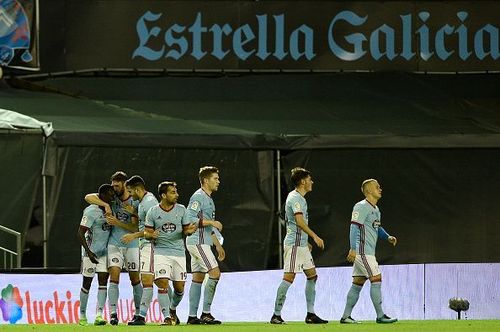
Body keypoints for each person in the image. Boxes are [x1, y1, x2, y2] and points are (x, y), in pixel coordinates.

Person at [270, 167, 328, 325]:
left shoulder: (300, 198)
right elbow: (299, 221)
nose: (312, 182)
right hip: (294, 245)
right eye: (309, 179)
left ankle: (310, 314)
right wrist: (314, 236)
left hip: (301, 244)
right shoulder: (295, 198)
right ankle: (276, 315)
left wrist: (306, 241)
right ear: (303, 181)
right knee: (289, 277)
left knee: (312, 276)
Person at [85, 171, 141, 325]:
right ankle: (113, 314)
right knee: (114, 278)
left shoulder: (133, 202)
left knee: (135, 280)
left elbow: (135, 227)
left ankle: (138, 314)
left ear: (124, 184)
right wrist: (105, 204)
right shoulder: (112, 199)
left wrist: (118, 223)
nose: (114, 188)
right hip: (114, 244)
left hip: (132, 245)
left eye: (117, 185)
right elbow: (88, 197)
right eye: (113, 185)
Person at [340, 179, 398, 324]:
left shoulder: (376, 209)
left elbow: (376, 228)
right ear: (368, 191)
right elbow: (354, 228)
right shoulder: (361, 206)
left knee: (358, 283)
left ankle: (346, 317)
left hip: (368, 252)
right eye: (377, 187)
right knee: (376, 278)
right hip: (362, 252)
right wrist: (353, 249)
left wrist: (388, 237)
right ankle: (380, 316)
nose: (380, 189)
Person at [144, 181, 197, 325]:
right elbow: (146, 233)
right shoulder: (153, 211)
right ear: (163, 195)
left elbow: (186, 230)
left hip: (179, 253)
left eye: (176, 191)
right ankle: (167, 317)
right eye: (173, 192)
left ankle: (172, 308)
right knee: (163, 283)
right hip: (161, 252)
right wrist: (151, 235)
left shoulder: (181, 209)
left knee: (179, 289)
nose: (177, 194)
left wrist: (190, 232)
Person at [185, 166, 225, 325]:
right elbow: (189, 219)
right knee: (215, 273)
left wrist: (218, 246)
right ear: (206, 180)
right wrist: (212, 222)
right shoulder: (198, 197)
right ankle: (206, 314)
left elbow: (208, 228)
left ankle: (192, 317)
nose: (218, 181)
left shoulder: (208, 198)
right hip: (197, 242)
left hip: (203, 242)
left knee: (198, 278)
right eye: (215, 178)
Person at [120, 175, 159, 325]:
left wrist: (133, 236)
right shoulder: (142, 202)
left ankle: (141, 316)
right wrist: (134, 213)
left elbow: (154, 230)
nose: (129, 195)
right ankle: (170, 313)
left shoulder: (149, 203)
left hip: (150, 244)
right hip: (145, 244)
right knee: (158, 281)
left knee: (147, 280)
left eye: (130, 191)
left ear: (137, 189)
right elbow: (144, 221)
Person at [77, 184, 115, 326]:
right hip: (90, 253)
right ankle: (82, 315)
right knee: (87, 283)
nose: (112, 197)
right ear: (102, 195)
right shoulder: (91, 211)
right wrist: (88, 252)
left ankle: (99, 315)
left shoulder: (111, 208)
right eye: (110, 194)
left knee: (103, 283)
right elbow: (80, 233)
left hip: (104, 252)